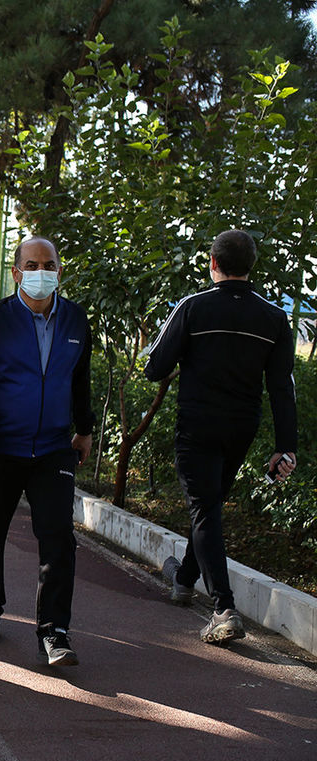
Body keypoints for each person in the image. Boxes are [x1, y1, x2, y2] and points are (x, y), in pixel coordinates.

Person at [145, 230, 297, 644]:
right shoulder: (273, 318)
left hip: (197, 425)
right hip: (240, 428)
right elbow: (282, 387)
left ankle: (223, 608)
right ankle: (184, 577)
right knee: (208, 506)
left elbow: (155, 366)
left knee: (205, 511)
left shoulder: (193, 307)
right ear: (251, 266)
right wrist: (286, 447)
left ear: (212, 263)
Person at [0, 236, 94, 667]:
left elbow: (80, 379)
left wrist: (85, 430)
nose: (40, 272)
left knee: (58, 539)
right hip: (0, 445)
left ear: (59, 269)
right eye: (31, 265)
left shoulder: (75, 319)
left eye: (48, 264)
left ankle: (54, 630)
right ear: (16, 272)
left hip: (54, 448)